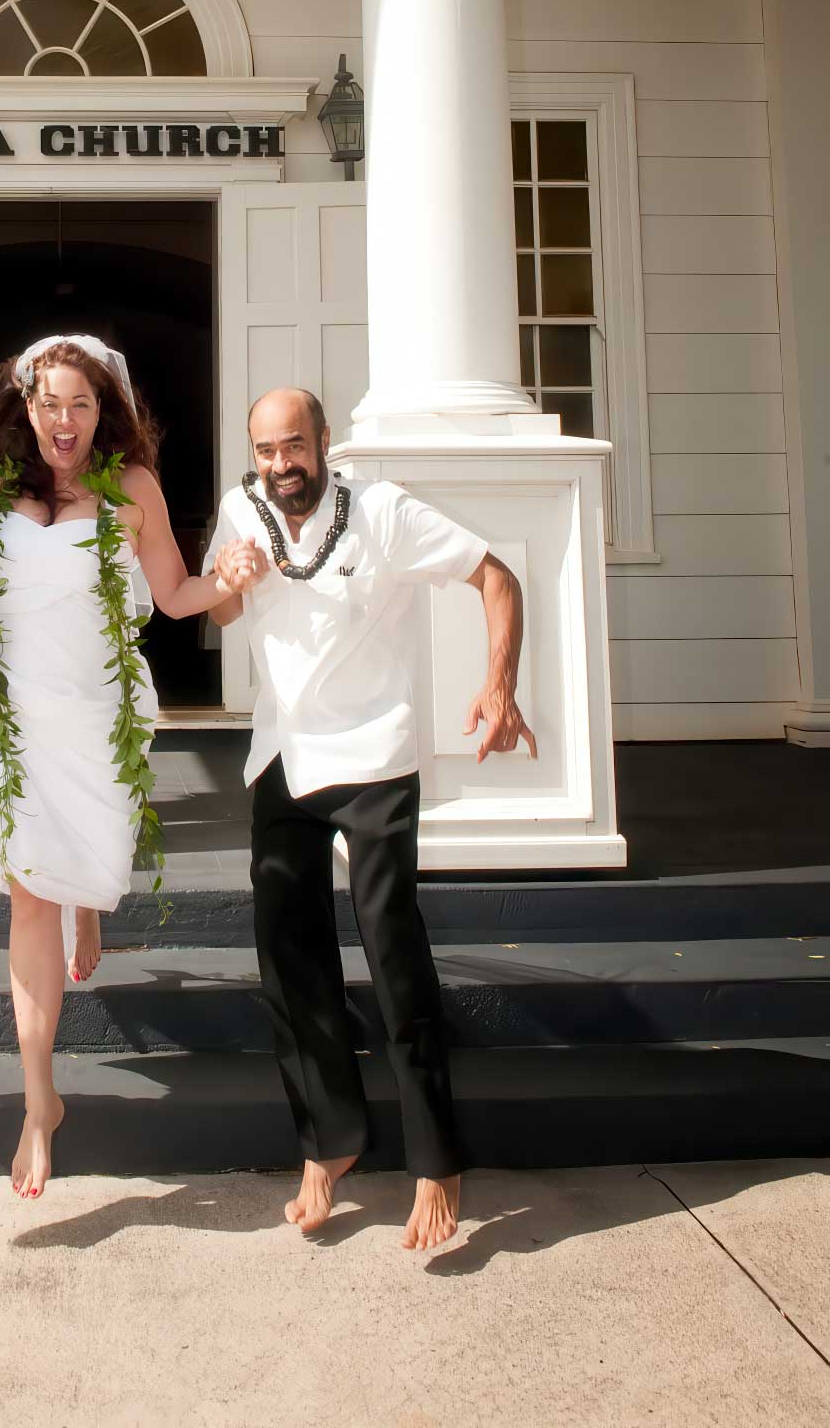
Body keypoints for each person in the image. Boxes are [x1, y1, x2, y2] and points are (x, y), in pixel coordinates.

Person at [207, 387, 535, 1254]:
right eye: (265, 450)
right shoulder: (240, 510)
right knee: (288, 958)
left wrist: (499, 685)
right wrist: (226, 584)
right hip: (284, 755)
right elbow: (222, 605)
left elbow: (496, 578)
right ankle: (329, 1143)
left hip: (376, 755)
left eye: (294, 446)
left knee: (392, 949)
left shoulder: (383, 512)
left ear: (325, 442)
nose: (281, 465)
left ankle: (437, 1159)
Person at [0, 335, 237, 1200]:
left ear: (104, 411)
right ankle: (38, 1099)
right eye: (50, 403)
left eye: (81, 405)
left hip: (92, 713)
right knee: (30, 895)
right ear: (27, 407)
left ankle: (85, 905)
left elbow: (176, 595)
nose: (65, 420)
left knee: (81, 859)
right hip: (17, 715)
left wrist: (234, 577)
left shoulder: (132, 487)